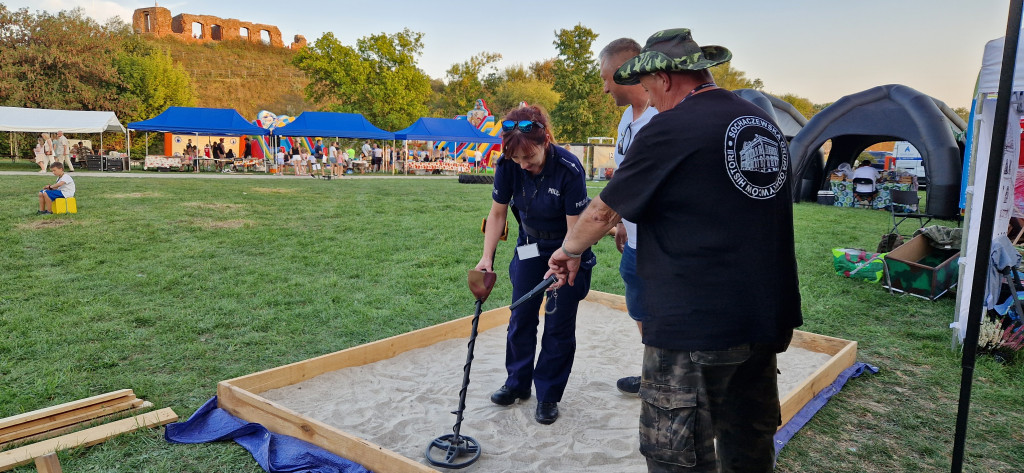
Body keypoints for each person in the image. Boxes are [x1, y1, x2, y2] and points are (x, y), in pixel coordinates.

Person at [546, 28, 802, 472]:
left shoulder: (671, 126)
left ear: (664, 79)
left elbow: (604, 211)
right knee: (749, 446)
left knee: (675, 455)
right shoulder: (761, 123)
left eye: (648, 87)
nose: (649, 98)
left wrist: (568, 251)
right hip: (763, 316)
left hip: (693, 324)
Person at [476, 105, 596, 426]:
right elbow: (498, 213)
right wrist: (487, 258)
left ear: (546, 140)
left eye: (529, 157)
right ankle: (517, 384)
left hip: (568, 247)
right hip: (529, 246)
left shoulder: (569, 169)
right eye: (516, 159)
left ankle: (548, 395)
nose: (523, 165)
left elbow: (575, 231)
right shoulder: (508, 165)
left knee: (558, 324)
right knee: (521, 315)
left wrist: (566, 261)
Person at [599, 37, 660, 396]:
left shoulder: (662, 117)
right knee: (640, 310)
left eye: (608, 79)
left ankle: (666, 379)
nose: (605, 88)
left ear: (628, 72)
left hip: (659, 242)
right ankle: (652, 374)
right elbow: (624, 178)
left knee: (660, 313)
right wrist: (621, 221)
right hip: (634, 239)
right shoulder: (627, 118)